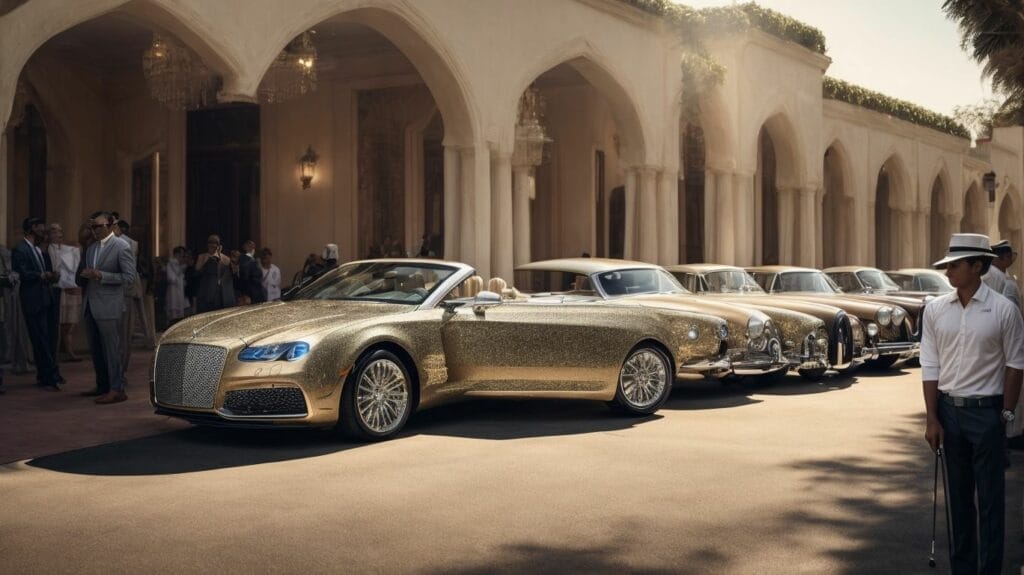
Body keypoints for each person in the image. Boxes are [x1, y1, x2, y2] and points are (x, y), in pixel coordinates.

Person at [921, 233, 1024, 575]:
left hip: (988, 413)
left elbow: (1015, 364)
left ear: (977, 266)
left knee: (991, 503)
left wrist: (1006, 415)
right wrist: (932, 417)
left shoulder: (1004, 310)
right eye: (947, 264)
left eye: (956, 264)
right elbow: (930, 364)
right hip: (950, 413)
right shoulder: (935, 310)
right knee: (960, 503)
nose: (948, 270)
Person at [78, 211, 136, 404]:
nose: (94, 230)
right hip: (90, 303)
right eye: (92, 226)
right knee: (96, 349)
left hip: (109, 304)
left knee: (112, 349)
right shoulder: (92, 247)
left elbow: (129, 278)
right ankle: (102, 385)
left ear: (110, 226)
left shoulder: (122, 246)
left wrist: (101, 275)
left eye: (98, 226)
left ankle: (117, 389)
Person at [11, 217, 63, 391]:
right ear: (32, 228)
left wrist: (50, 276)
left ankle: (46, 374)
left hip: (45, 298)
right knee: (40, 339)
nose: (43, 230)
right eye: (40, 227)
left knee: (47, 338)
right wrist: (42, 276)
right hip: (32, 300)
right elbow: (23, 273)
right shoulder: (20, 249)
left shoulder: (37, 249)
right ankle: (49, 376)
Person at [47, 223, 82, 361]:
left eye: (60, 230)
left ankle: (68, 350)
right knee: (57, 323)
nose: (58, 233)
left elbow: (74, 264)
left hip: (70, 288)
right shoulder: (49, 249)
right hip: (57, 290)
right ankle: (55, 353)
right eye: (54, 231)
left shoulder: (69, 249)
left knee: (70, 323)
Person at [195, 234, 234, 313]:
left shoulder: (225, 258)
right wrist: (209, 258)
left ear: (219, 245)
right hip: (206, 292)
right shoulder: (202, 257)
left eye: (215, 243)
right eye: (210, 242)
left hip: (221, 294)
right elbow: (197, 271)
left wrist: (218, 255)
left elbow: (228, 274)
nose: (212, 245)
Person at [982, 239, 1021, 311]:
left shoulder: (1003, 274)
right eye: (1008, 256)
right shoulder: (989, 275)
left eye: (1009, 256)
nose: (1010, 259)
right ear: (996, 258)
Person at [237, 239, 266, 304]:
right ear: (246, 247)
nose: (253, 249)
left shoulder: (253, 260)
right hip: (251, 295)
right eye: (251, 246)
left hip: (256, 294)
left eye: (253, 247)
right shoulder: (245, 260)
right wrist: (246, 295)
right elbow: (245, 278)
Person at [165, 246, 188, 323]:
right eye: (180, 255)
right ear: (176, 254)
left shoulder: (181, 265)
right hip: (173, 292)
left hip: (180, 292)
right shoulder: (170, 264)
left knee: (180, 314)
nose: (181, 257)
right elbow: (171, 278)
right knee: (173, 312)